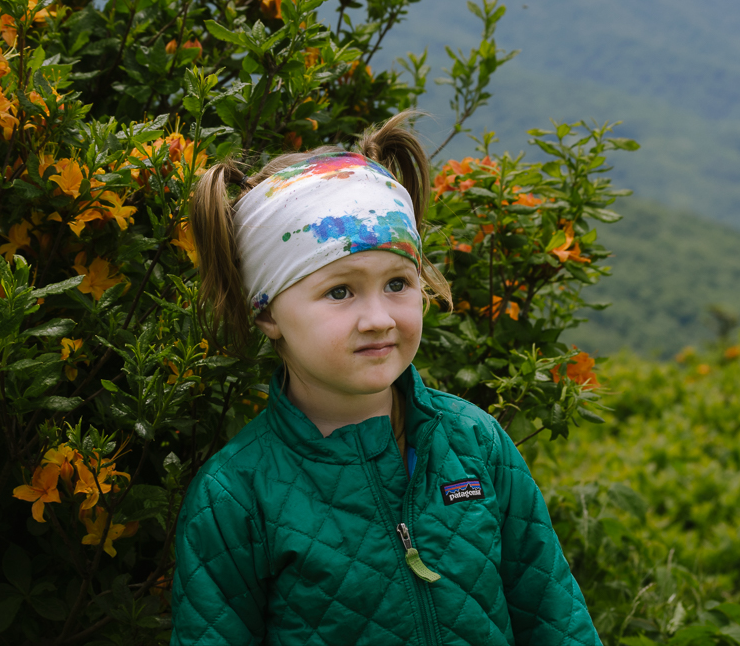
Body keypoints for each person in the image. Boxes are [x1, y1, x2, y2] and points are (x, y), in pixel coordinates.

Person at [170, 112, 600, 645]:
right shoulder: (237, 495)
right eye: (340, 291)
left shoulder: (473, 443)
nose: (379, 317)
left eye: (398, 282)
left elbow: (555, 618)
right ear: (268, 314)